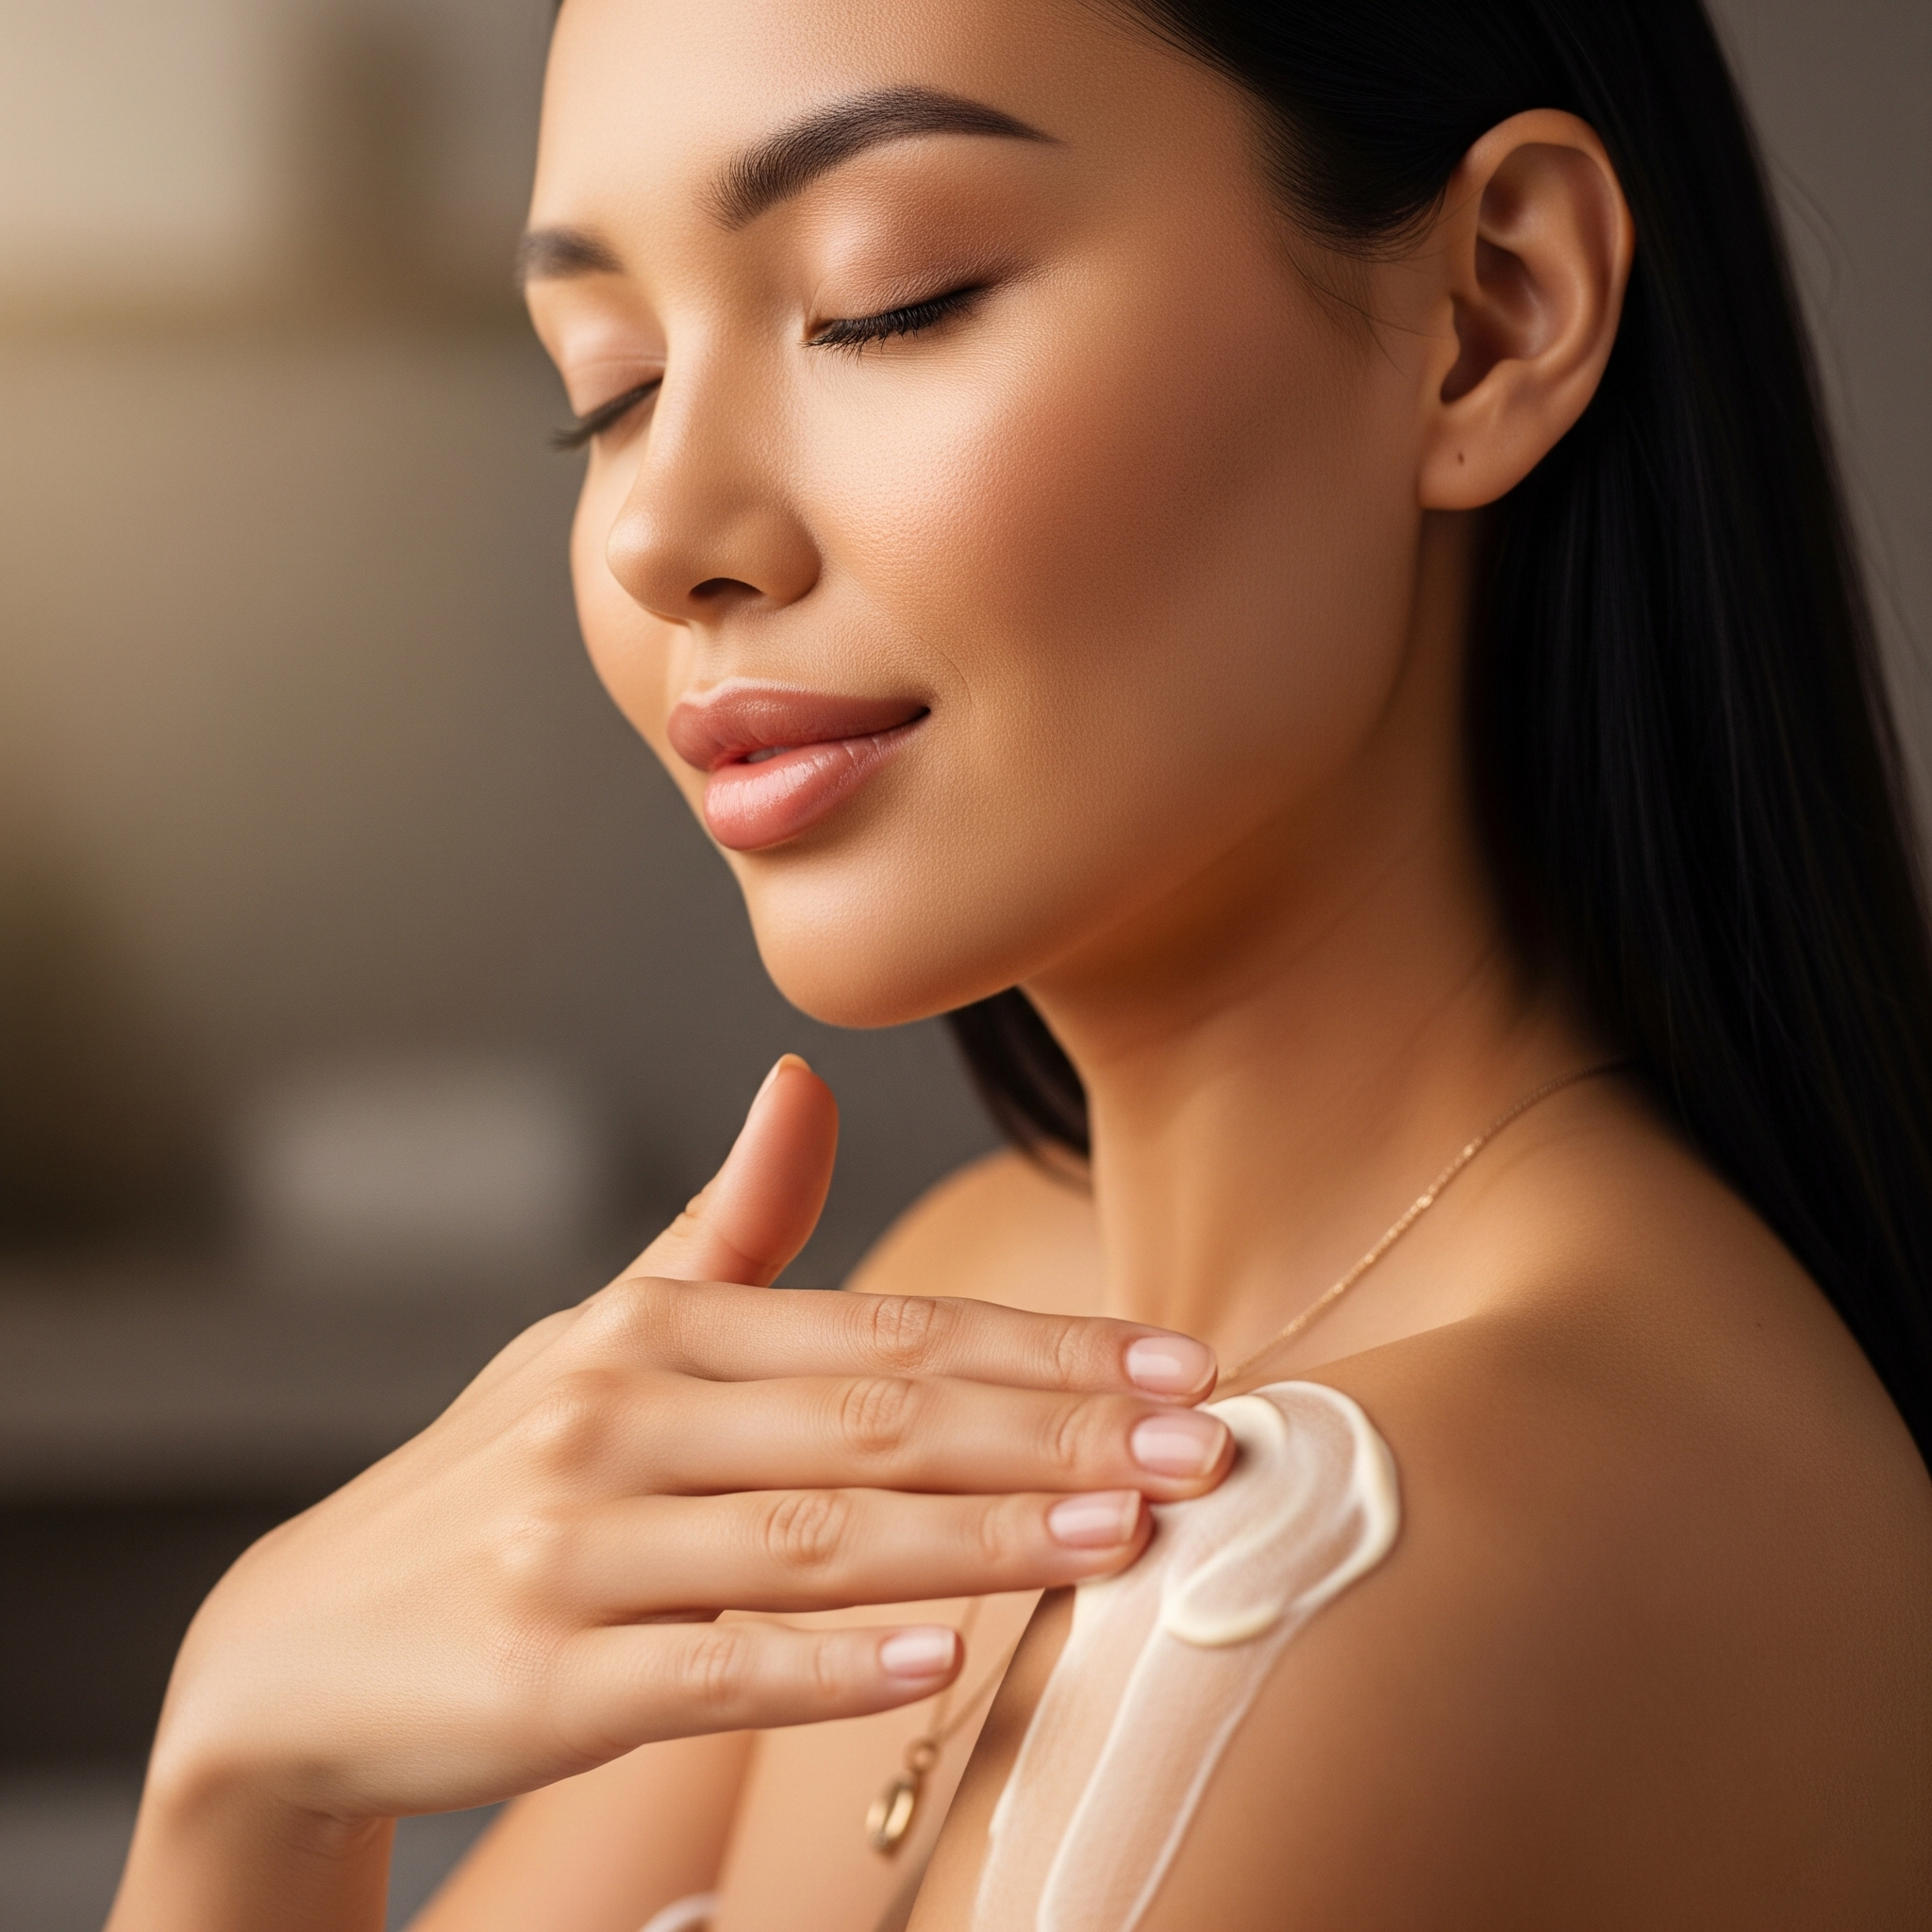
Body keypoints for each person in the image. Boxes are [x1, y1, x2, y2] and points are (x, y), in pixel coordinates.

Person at [110, 1, 1932, 1928]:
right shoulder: (964, 1301)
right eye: (613, 379)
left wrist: (246, 1799)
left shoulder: (1448, 1557)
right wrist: (244, 1762)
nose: (662, 528)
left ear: (1491, 312)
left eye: (888, 299)